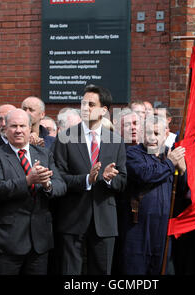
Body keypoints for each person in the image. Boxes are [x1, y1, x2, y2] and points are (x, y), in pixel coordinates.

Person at [53, 84, 127, 275]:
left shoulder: (116, 141)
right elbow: (59, 177)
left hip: (105, 221)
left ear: (104, 110)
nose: (85, 108)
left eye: (91, 104)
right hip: (72, 218)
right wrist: (87, 179)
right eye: (83, 104)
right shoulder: (65, 138)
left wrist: (109, 179)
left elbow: (123, 181)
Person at [0, 109, 66, 274]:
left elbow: (61, 185)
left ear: (30, 129)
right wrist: (28, 180)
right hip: (8, 240)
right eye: (13, 126)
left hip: (40, 240)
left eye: (22, 126)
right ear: (5, 129)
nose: (18, 130)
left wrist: (47, 184)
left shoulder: (44, 154)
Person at [117, 115, 185, 275]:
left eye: (156, 133)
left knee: (160, 269)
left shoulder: (170, 155)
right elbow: (146, 174)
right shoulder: (132, 154)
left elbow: (183, 190)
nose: (152, 138)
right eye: (148, 133)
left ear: (165, 135)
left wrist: (183, 171)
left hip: (163, 227)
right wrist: (170, 164)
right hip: (137, 227)